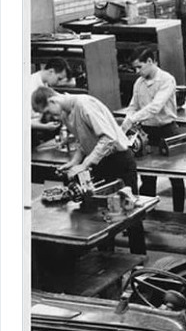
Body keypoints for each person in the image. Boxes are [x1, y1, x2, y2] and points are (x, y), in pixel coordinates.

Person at [31, 87, 146, 254]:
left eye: (49, 112)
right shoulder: (65, 113)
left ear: (53, 101)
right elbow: (83, 141)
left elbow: (108, 138)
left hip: (119, 161)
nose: (52, 117)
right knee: (100, 215)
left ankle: (139, 263)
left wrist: (84, 165)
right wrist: (74, 162)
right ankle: (106, 261)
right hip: (100, 164)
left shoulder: (85, 105)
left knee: (130, 213)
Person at [121, 49, 185, 212]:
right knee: (148, 177)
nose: (137, 72)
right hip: (147, 132)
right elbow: (133, 106)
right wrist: (128, 118)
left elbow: (155, 107)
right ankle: (146, 213)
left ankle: (178, 213)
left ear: (150, 61)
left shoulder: (167, 80)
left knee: (176, 176)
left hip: (167, 131)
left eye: (139, 67)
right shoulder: (139, 83)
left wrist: (132, 119)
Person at [30, 58, 71, 138]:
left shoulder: (44, 84)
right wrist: (45, 127)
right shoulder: (31, 86)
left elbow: (57, 95)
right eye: (59, 79)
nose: (58, 83)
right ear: (51, 71)